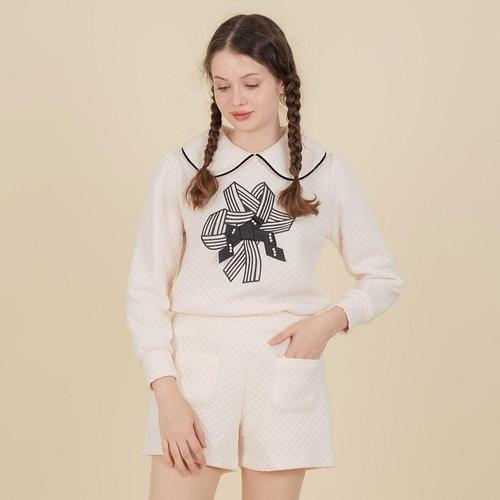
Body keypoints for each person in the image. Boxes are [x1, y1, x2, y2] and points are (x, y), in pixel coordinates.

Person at [125, 13, 404, 500]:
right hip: (194, 374)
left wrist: (329, 323)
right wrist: (164, 391)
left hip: (282, 369)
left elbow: (383, 279)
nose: (237, 100)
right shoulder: (181, 168)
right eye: (223, 86)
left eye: (251, 84)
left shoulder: (325, 172)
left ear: (281, 83)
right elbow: (146, 290)